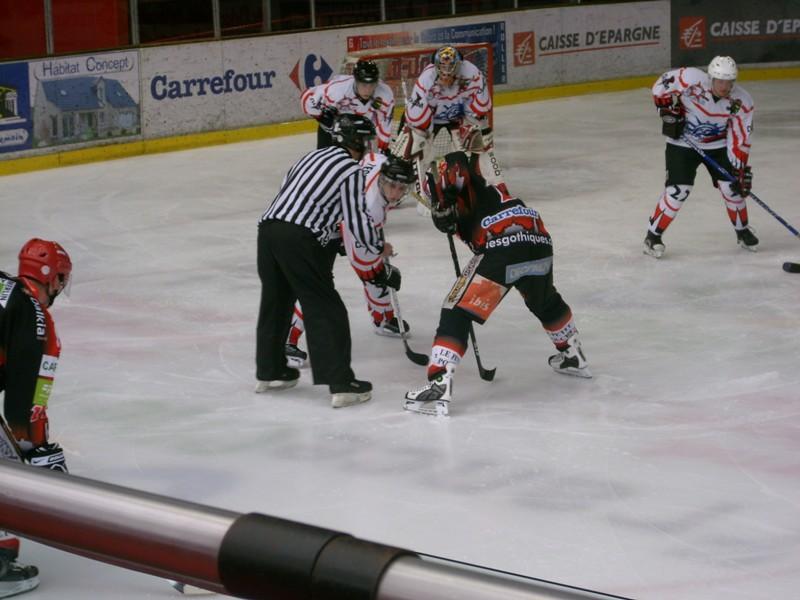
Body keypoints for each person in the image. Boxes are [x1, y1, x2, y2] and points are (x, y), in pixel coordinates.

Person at [403, 152, 591, 417]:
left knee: (457, 308)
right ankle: (573, 355)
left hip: (501, 246)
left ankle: (439, 383)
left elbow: (449, 214)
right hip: (538, 237)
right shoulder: (490, 186)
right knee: (545, 301)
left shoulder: (454, 199)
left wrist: (444, 219)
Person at [256, 114, 401, 408]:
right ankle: (341, 383)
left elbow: (290, 191)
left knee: (277, 300)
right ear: (357, 141)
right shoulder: (351, 170)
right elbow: (357, 218)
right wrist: (377, 248)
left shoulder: (311, 156)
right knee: (326, 307)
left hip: (268, 232)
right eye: (366, 139)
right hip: (299, 238)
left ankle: (270, 370)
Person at [284, 153, 416, 368]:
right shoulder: (371, 208)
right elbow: (361, 257)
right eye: (392, 186)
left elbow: (370, 156)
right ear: (383, 180)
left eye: (402, 188)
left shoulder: (380, 163)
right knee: (318, 285)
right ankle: (286, 340)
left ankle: (382, 318)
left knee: (372, 272)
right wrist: (378, 264)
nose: (396, 193)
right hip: (317, 226)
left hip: (333, 214)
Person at [1, 238, 72, 598]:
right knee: (7, 469)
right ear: (51, 278)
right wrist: (37, 450)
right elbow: (27, 401)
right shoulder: (37, 318)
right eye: (61, 279)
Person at [643, 55, 756, 258]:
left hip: (718, 146)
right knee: (679, 191)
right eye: (720, 81)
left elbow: (739, 136)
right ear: (711, 78)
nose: (724, 86)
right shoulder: (691, 78)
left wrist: (738, 168)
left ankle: (742, 231)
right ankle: (653, 236)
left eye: (729, 82)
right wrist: (666, 107)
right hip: (683, 144)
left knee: (732, 188)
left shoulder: (742, 101)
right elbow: (661, 85)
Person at [396, 46, 494, 167]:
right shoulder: (426, 80)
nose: (446, 75)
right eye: (443, 70)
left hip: (457, 117)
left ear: (458, 66)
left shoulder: (470, 74)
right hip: (431, 119)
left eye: (450, 70)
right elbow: (417, 118)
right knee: (412, 152)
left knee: (473, 150)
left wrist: (476, 126)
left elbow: (480, 109)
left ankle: (476, 173)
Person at [301, 59, 395, 152]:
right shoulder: (338, 89)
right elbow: (307, 98)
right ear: (356, 81)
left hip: (362, 133)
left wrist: (380, 151)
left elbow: (384, 127)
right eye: (363, 85)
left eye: (372, 85)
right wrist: (321, 116)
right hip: (334, 132)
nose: (367, 90)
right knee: (326, 161)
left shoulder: (385, 95)